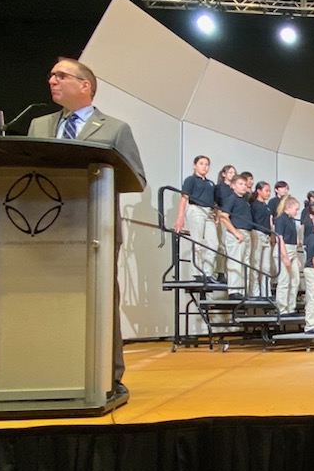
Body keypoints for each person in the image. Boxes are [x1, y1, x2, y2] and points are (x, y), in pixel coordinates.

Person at [29, 57, 146, 401]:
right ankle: (51, 369)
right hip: (45, 228)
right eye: (51, 75)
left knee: (101, 302)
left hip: (98, 227)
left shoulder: (114, 128)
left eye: (61, 75)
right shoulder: (38, 125)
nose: (52, 80)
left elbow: (137, 178)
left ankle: (109, 375)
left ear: (85, 86)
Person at [173, 155, 218, 281]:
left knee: (213, 243)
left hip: (208, 212)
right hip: (196, 209)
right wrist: (180, 217)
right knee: (197, 242)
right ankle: (197, 272)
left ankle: (208, 273)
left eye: (206, 164)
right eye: (201, 163)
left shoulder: (210, 183)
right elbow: (184, 198)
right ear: (195, 165)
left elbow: (214, 201)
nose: (204, 166)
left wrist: (216, 215)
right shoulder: (191, 180)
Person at [218, 174, 253, 299]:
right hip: (237, 233)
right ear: (233, 185)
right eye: (240, 184)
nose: (243, 187)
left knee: (246, 263)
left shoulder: (244, 201)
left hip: (247, 233)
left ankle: (243, 291)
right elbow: (224, 217)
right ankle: (234, 291)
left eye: (244, 184)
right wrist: (235, 232)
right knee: (235, 262)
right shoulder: (231, 198)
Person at [273, 196, 301, 315]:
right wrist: (284, 256)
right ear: (288, 207)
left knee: (295, 280)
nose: (297, 211)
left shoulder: (292, 220)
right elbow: (280, 239)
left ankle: (291, 307)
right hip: (283, 250)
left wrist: (296, 257)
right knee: (284, 280)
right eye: (296, 209)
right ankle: (282, 308)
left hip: (292, 250)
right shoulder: (280, 219)